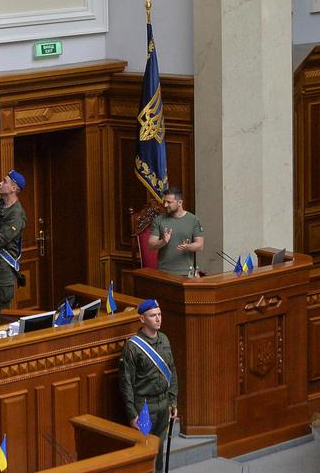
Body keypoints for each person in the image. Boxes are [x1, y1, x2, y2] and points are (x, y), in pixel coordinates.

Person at [119, 299, 178, 473]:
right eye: (153, 316)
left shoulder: (164, 339)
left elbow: (172, 371)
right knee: (145, 449)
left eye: (159, 315)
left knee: (159, 447)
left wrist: (173, 401)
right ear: (142, 319)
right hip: (144, 406)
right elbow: (126, 382)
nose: (158, 319)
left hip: (163, 403)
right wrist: (131, 413)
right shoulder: (133, 346)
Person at [0, 170, 27, 324]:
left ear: (13, 188)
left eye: (4, 181)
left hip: (4, 268)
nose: (0, 183)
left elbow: (1, 238)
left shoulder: (17, 214)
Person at [148, 187, 205, 276]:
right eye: (165, 201)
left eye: (169, 202)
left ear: (180, 202)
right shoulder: (159, 220)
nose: (165, 205)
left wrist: (187, 246)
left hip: (186, 273)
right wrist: (163, 241)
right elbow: (151, 245)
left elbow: (200, 245)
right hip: (163, 272)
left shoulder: (193, 220)